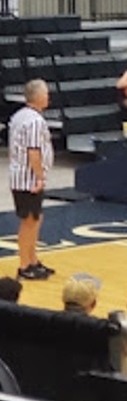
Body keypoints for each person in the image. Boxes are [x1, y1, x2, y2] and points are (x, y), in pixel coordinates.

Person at [9, 80, 54, 281]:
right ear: (37, 96)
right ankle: (24, 265)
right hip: (28, 178)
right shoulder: (35, 121)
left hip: (19, 175)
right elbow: (33, 153)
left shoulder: (19, 116)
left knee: (35, 219)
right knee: (29, 221)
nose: (48, 97)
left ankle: (33, 260)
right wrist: (39, 177)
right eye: (46, 94)